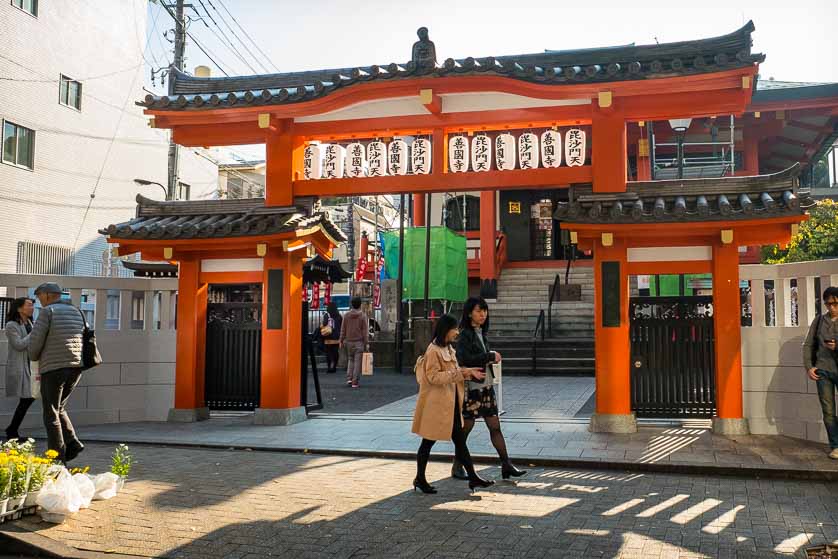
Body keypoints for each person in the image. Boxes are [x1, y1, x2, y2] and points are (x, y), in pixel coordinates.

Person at [411, 314, 495, 494]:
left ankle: (473, 477)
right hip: (437, 406)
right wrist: (460, 374)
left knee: (459, 441)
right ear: (445, 330)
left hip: (450, 405)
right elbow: (433, 377)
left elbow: (454, 370)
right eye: (454, 329)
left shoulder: (448, 348)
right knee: (428, 442)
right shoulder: (433, 350)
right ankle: (420, 478)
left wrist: (468, 371)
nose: (457, 332)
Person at [453, 296, 527, 480]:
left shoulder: (481, 333)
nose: (483, 314)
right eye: (479, 311)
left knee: (495, 426)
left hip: (485, 387)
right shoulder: (464, 335)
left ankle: (506, 464)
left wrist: (488, 356)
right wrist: (489, 355)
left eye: (485, 311)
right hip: (471, 388)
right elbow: (464, 359)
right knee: (465, 429)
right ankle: (457, 465)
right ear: (469, 313)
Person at [28, 283, 86, 463]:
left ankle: (57, 456)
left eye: (39, 298)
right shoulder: (77, 311)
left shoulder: (47, 312)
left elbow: (36, 341)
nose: (39, 302)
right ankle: (73, 443)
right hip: (76, 366)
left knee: (50, 412)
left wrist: (32, 356)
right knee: (59, 407)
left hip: (54, 367)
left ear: (46, 295)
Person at [803, 286, 838, 459]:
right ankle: (835, 445)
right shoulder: (819, 321)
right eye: (828, 304)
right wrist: (809, 366)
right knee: (828, 411)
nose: (831, 307)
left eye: (835, 304)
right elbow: (808, 344)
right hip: (823, 370)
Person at [4, 297, 35, 441]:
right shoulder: (11, 325)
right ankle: (12, 430)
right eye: (29, 305)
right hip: (20, 366)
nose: (32, 307)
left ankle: (12, 429)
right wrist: (34, 333)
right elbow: (19, 344)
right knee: (27, 398)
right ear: (19, 308)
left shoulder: (30, 322)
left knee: (29, 398)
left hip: (31, 366)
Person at [339, 297, 368, 389]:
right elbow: (365, 331)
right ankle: (355, 382)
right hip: (359, 342)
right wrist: (366, 342)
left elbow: (343, 329)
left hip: (348, 341)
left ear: (352, 304)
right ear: (360, 305)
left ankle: (349, 378)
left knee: (350, 360)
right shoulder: (362, 316)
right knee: (357, 362)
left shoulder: (346, 315)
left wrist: (341, 339)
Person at [322, 302, 342, 373]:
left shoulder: (326, 315)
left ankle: (329, 367)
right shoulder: (339, 316)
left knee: (328, 352)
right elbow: (341, 326)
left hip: (328, 335)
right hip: (336, 336)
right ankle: (334, 367)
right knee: (335, 352)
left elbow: (324, 324)